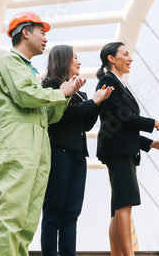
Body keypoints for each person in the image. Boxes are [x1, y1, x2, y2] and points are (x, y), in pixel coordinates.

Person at [0, 11, 81, 256]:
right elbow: (26, 96)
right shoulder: (9, 62)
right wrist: (61, 93)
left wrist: (65, 95)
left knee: (27, 221)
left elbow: (49, 115)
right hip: (15, 146)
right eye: (41, 32)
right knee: (11, 214)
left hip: (37, 150)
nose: (45, 38)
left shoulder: (30, 72)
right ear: (25, 32)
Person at [95, 42, 159, 256]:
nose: (130, 58)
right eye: (125, 54)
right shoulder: (107, 81)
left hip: (120, 149)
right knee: (125, 204)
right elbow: (124, 118)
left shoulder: (117, 83)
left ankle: (118, 254)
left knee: (118, 207)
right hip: (118, 151)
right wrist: (156, 123)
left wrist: (151, 143)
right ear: (111, 58)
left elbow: (122, 127)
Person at [41, 45, 114, 256]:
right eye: (75, 57)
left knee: (72, 213)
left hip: (77, 155)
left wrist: (97, 102)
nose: (79, 62)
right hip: (58, 154)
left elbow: (85, 124)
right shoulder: (51, 86)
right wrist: (94, 101)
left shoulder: (80, 94)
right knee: (53, 212)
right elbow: (63, 116)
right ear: (63, 60)